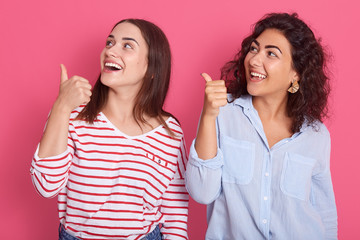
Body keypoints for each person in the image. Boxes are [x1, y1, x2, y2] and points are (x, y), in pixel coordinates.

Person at [30, 19, 188, 240]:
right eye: (110, 42)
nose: (111, 50)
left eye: (127, 45)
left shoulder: (169, 132)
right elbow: (45, 185)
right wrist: (62, 106)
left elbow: (175, 210)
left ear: (151, 68)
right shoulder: (72, 114)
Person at [185, 13, 337, 240]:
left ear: (296, 74)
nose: (254, 60)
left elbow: (325, 212)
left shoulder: (315, 135)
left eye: (271, 54)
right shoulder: (222, 112)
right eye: (254, 49)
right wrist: (208, 115)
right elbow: (202, 192)